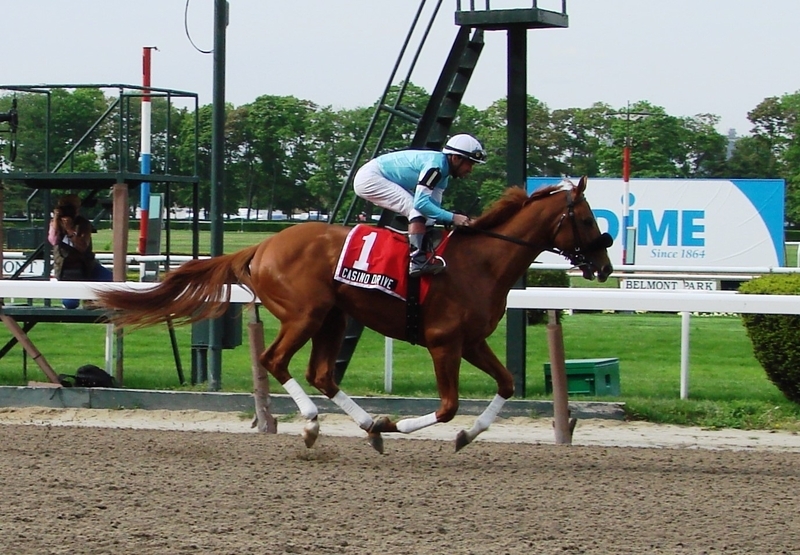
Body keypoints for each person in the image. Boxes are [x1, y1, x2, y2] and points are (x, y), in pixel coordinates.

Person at [353, 133, 486, 277]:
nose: (470, 169)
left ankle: (423, 253)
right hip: (370, 178)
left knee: (425, 216)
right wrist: (453, 217)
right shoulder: (435, 167)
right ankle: (417, 261)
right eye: (470, 163)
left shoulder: (443, 177)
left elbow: (432, 210)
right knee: (416, 210)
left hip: (377, 175)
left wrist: (453, 218)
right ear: (455, 158)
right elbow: (421, 204)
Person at [48, 194, 113, 308]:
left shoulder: (83, 223)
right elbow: (53, 240)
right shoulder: (55, 223)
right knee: (70, 304)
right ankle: (85, 301)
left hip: (87, 265)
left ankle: (92, 302)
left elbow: (82, 246)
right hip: (67, 269)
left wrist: (69, 230)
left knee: (113, 280)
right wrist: (56, 219)